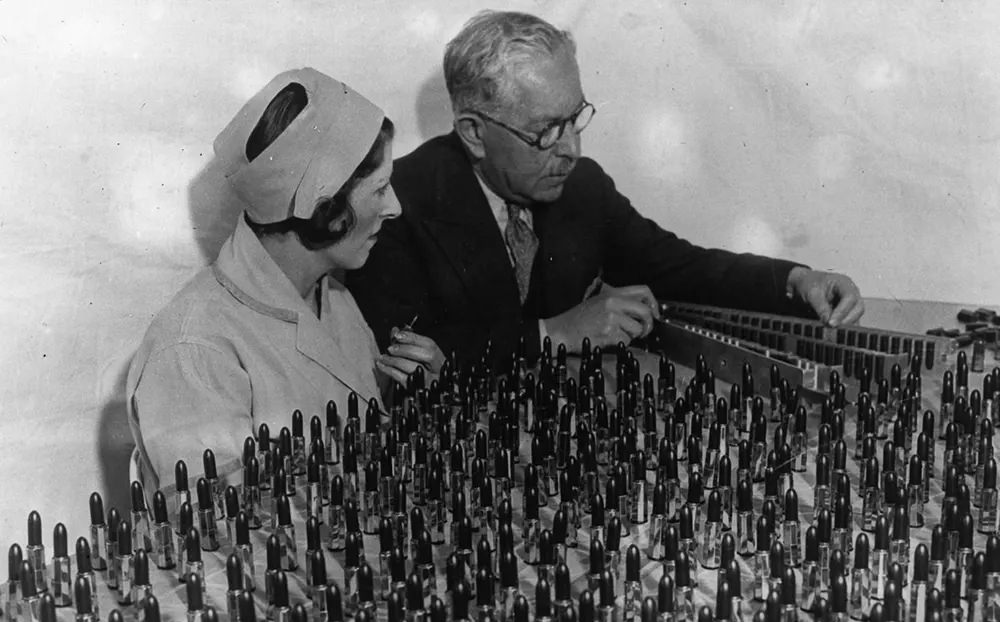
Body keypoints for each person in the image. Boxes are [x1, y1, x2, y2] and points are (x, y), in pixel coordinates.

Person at [347, 10, 864, 367]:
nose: (571, 147)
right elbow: (398, 350)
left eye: (575, 118)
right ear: (474, 134)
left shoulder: (582, 185)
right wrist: (554, 335)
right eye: (547, 130)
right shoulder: (399, 204)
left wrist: (796, 280)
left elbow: (680, 266)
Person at [126, 68, 442, 490]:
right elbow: (221, 534)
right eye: (380, 188)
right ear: (324, 206)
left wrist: (422, 399)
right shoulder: (196, 349)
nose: (396, 208)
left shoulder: (334, 299)